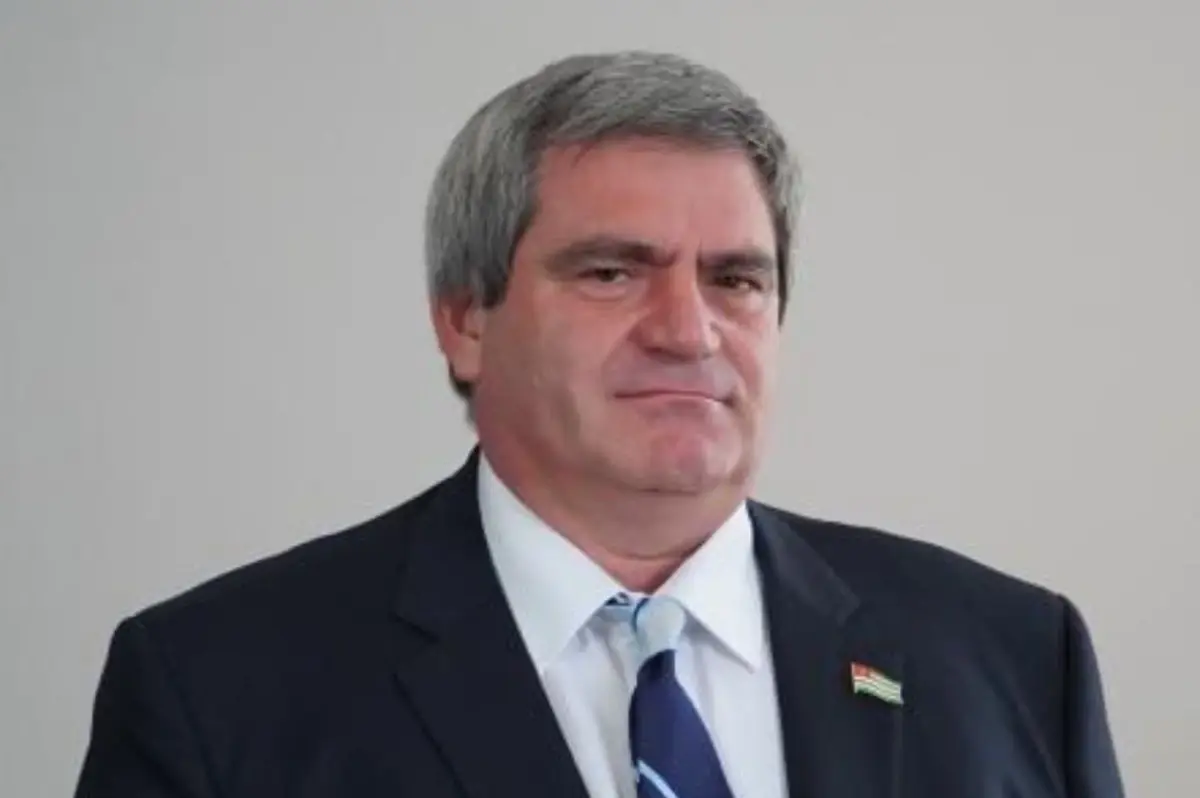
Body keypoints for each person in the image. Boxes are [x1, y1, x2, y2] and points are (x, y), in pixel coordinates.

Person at [74, 51, 1125, 798]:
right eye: (613, 273)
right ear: (466, 319)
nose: (688, 330)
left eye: (736, 279)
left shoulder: (1013, 655)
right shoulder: (218, 688)